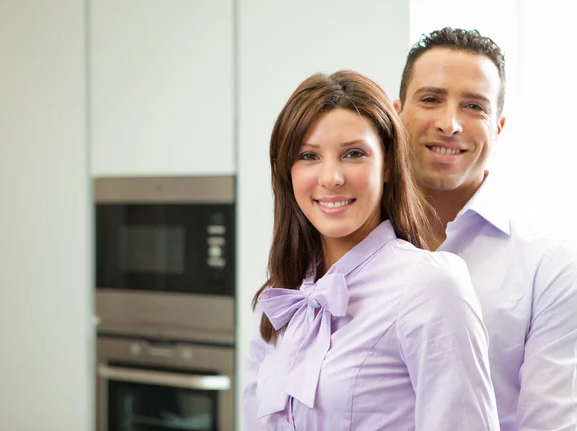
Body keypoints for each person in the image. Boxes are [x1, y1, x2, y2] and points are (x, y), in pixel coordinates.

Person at [242, 70, 500, 430]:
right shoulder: (280, 298)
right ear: (287, 171)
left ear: (389, 164)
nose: (331, 177)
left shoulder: (430, 286)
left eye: (353, 154)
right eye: (308, 155)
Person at [394, 27, 577, 431]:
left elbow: (549, 424)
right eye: (430, 99)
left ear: (499, 126)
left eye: (474, 106)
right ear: (395, 113)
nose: (450, 124)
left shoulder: (549, 265)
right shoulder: (347, 240)